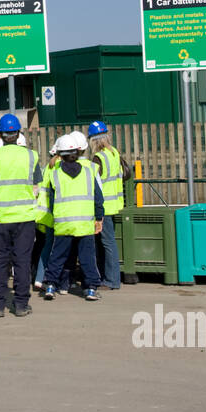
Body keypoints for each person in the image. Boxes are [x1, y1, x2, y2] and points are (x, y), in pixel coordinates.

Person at [0, 114, 42, 317]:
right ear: (18, 133)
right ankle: (21, 305)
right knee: (22, 261)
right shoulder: (32, 156)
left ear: (1, 134)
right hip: (24, 218)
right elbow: (36, 188)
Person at [41, 138, 105, 302]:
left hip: (63, 223)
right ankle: (90, 289)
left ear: (60, 155)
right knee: (87, 258)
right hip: (85, 223)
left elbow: (52, 201)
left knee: (57, 256)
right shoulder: (89, 172)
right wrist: (99, 218)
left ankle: (50, 286)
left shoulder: (54, 175)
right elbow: (98, 198)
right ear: (77, 153)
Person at [88, 120, 130, 287]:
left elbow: (93, 182)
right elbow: (126, 173)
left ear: (93, 140)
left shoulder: (98, 158)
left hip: (102, 206)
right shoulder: (114, 153)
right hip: (114, 203)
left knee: (106, 243)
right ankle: (108, 277)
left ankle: (112, 280)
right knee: (106, 242)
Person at [31, 143, 59, 291]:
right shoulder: (58, 169)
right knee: (56, 249)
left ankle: (39, 279)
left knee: (45, 247)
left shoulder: (45, 168)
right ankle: (50, 280)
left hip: (42, 215)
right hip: (55, 214)